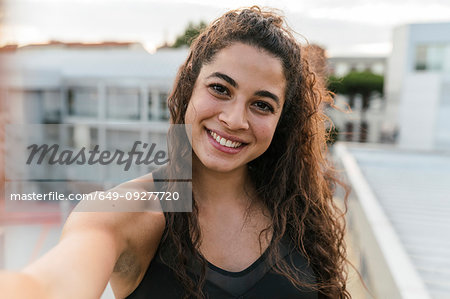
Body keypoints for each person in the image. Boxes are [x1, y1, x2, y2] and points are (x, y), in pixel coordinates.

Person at [0, 6, 350, 299]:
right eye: (220, 88)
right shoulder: (127, 215)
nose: (234, 119)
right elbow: (48, 285)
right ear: (189, 89)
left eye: (261, 105)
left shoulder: (300, 210)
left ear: (280, 122)